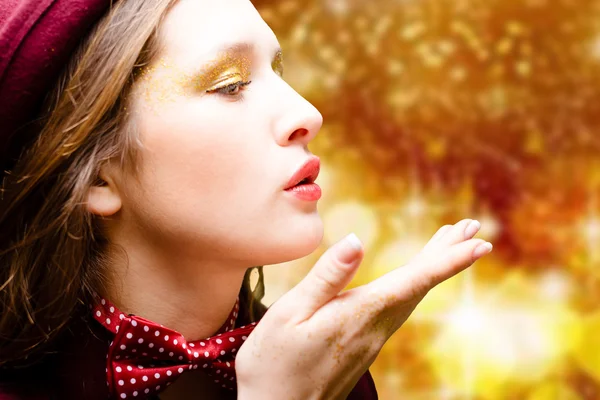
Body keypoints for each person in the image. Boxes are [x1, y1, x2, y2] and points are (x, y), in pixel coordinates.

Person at [0, 0, 494, 399]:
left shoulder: (327, 372)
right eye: (230, 85)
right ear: (97, 179)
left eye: (279, 71)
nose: (307, 113)